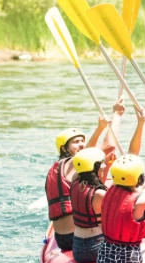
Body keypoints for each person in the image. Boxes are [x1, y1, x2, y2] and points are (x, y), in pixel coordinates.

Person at [70, 108, 145, 263]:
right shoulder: (103, 195)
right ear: (97, 167)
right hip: (97, 247)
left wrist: (103, 165)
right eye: (102, 163)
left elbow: (85, 158)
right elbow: (132, 158)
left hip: (77, 247)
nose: (105, 165)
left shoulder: (74, 182)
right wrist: (140, 124)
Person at [46, 100, 125, 251]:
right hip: (76, 237)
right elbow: (110, 145)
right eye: (76, 142)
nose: (81, 144)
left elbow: (91, 188)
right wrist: (117, 114)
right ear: (64, 148)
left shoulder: (60, 169)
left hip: (61, 238)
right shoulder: (72, 164)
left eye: (83, 141)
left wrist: (100, 129)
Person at [96, 153, 145, 263]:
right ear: (140, 178)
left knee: (144, 253)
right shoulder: (139, 203)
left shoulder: (107, 195)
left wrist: (138, 188)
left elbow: (125, 198)